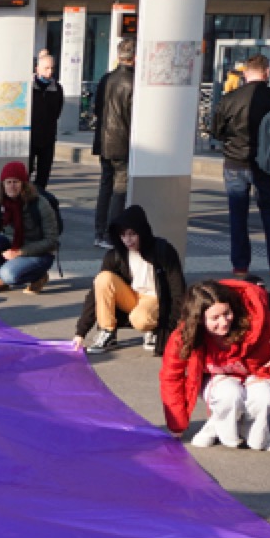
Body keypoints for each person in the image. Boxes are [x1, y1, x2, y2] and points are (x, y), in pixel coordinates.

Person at [158, 278, 270, 452]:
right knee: (229, 393)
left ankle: (252, 430)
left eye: (227, 313)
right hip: (218, 382)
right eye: (215, 318)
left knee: (263, 399)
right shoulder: (183, 337)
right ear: (199, 320)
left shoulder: (255, 322)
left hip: (256, 375)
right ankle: (222, 424)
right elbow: (171, 377)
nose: (224, 322)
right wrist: (176, 424)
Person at [210, 53, 270, 278]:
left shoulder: (229, 99)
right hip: (266, 164)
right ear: (267, 72)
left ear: (244, 73)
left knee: (237, 215)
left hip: (234, 163)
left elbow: (216, 131)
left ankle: (240, 266)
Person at [79, 204, 187, 355]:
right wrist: (81, 332)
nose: (127, 240)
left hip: (156, 299)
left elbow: (178, 290)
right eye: (123, 235)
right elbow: (95, 293)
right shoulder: (116, 255)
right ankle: (107, 332)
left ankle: (153, 329)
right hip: (132, 296)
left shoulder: (162, 250)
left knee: (139, 319)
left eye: (132, 234)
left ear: (142, 232)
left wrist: (171, 329)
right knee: (103, 278)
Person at [0, 161, 58, 296]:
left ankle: (39, 276)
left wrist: (20, 252)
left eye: (16, 182)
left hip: (38, 253)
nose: (11, 186)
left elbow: (51, 241)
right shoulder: (1, 203)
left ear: (24, 185)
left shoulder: (40, 204)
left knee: (9, 275)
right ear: (3, 185)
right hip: (13, 248)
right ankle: (0, 279)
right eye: (8, 182)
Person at [90, 42, 136, 248]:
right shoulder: (133, 82)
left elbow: (97, 109)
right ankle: (112, 234)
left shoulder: (106, 78)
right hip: (123, 142)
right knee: (120, 189)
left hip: (104, 140)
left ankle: (99, 232)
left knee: (105, 187)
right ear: (134, 57)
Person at [26, 50, 65, 194]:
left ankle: (39, 203)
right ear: (37, 69)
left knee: (43, 176)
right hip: (30, 137)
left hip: (48, 137)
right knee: (26, 173)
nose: (49, 72)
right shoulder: (29, 87)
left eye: (52, 68)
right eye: (46, 68)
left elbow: (57, 112)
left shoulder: (57, 89)